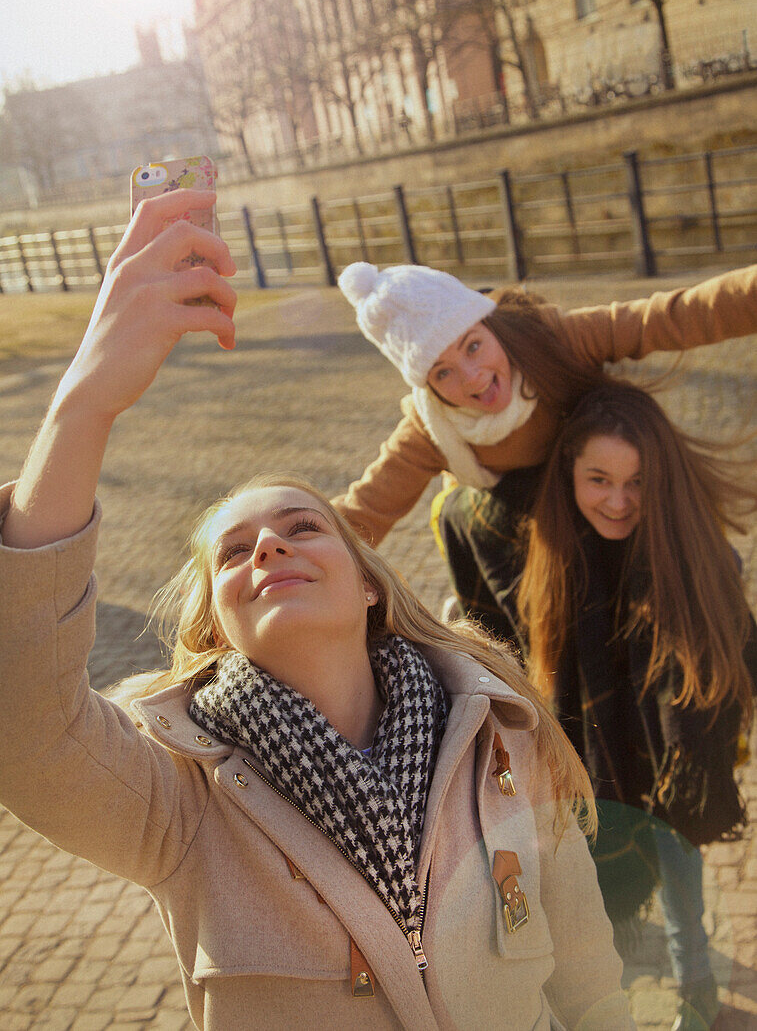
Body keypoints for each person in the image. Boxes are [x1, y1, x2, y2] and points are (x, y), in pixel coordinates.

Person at [0, 189, 635, 1030]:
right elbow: (27, 725)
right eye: (234, 552)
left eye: (302, 528)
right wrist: (85, 400)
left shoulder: (500, 730)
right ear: (216, 623)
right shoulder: (176, 800)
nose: (268, 548)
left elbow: (589, 981)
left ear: (369, 583)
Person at [334, 260, 757, 642]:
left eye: (473, 345)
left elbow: (668, 317)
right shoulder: (431, 428)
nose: (473, 376)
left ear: (489, 324)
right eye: (442, 372)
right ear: (427, 386)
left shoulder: (554, 339)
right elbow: (366, 509)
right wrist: (288, 557)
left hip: (600, 483)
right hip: (527, 525)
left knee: (689, 568)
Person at [516, 382, 757, 1031]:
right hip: (596, 778)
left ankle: (696, 995)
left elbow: (739, 663)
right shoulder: (553, 559)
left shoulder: (698, 556)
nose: (617, 502)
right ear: (568, 471)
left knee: (684, 904)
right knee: (605, 910)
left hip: (677, 778)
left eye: (636, 483)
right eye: (598, 479)